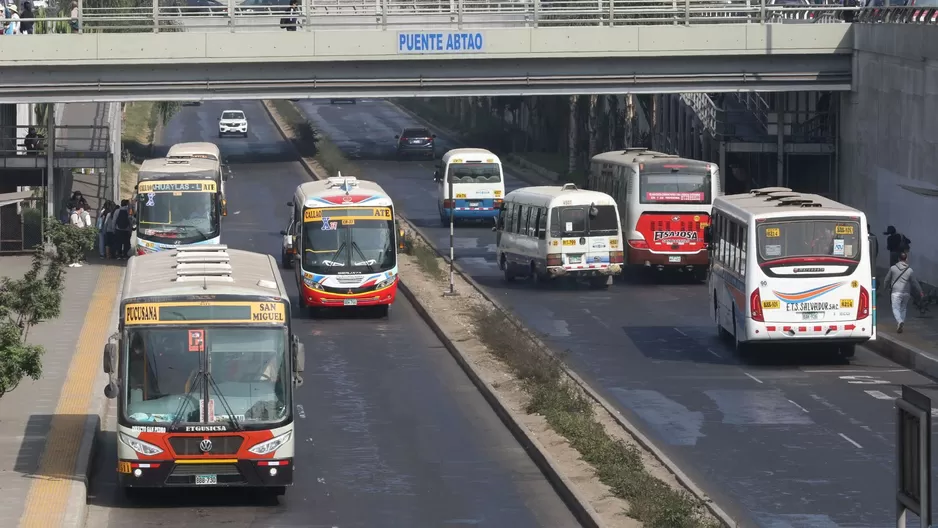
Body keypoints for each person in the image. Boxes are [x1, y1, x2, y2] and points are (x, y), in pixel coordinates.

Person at [883, 252, 924, 334]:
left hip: (895, 292)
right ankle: (900, 323)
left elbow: (887, 279)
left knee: (895, 308)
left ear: (898, 259)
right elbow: (914, 282)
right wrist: (920, 291)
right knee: (903, 308)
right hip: (906, 293)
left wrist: (885, 287)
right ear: (906, 259)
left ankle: (899, 321)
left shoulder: (893, 268)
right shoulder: (910, 270)